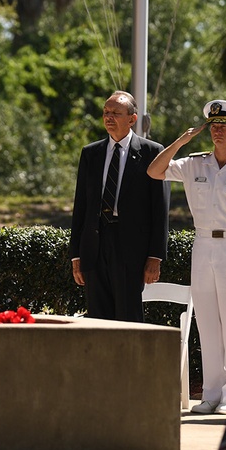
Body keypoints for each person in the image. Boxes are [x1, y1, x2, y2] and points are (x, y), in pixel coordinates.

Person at [148, 100, 226, 414]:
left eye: (224, 126)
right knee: (206, 321)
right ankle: (211, 393)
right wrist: (181, 141)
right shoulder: (194, 163)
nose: (217, 131)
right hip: (203, 244)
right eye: (213, 126)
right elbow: (154, 171)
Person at [70, 91, 170, 322]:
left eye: (116, 113)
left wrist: (155, 256)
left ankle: (129, 360)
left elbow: (160, 209)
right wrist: (76, 255)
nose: (109, 117)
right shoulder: (90, 153)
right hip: (95, 246)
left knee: (128, 317)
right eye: (106, 112)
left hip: (131, 250)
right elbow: (81, 206)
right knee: (98, 318)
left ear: (132, 119)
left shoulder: (152, 152)